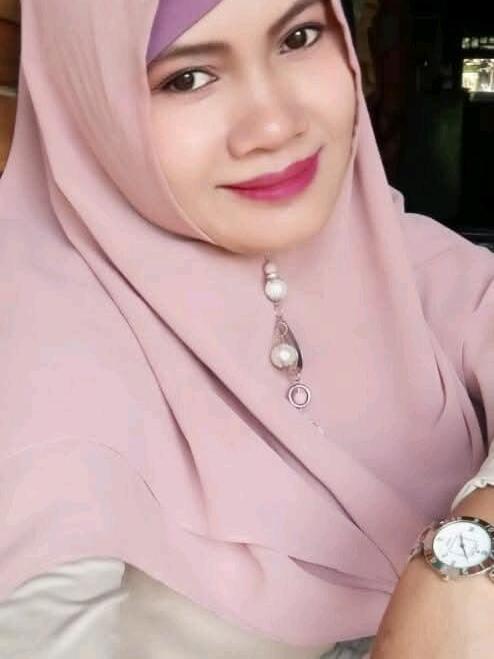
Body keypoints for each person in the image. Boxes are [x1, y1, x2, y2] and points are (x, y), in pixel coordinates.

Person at [0, 1, 493, 658]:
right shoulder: (39, 366)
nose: (275, 124)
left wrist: (465, 562)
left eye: (299, 36)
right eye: (187, 78)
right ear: (92, 104)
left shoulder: (399, 256)